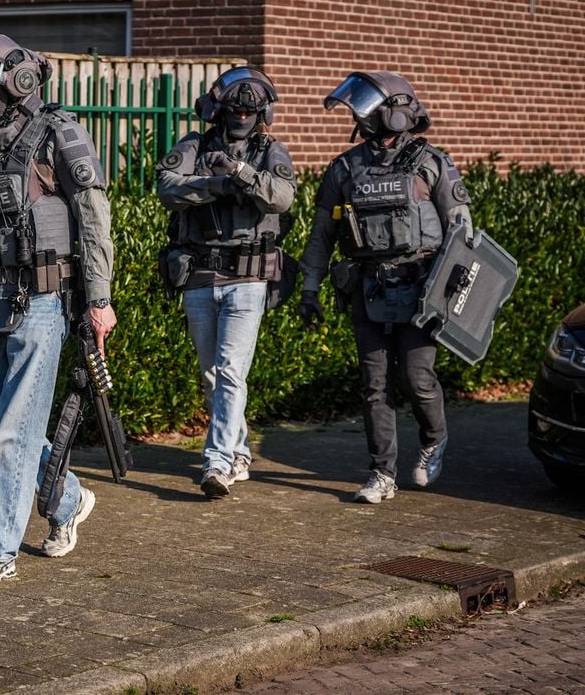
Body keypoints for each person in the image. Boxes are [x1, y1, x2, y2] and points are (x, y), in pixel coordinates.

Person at [0, 34, 117, 585]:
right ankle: (69, 499)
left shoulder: (59, 132)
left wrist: (99, 300)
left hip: (41, 300)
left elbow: (94, 220)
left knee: (13, 431)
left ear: (17, 79)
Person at [298, 71, 472, 504]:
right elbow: (322, 233)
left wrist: (458, 293)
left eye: (370, 107)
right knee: (375, 385)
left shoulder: (432, 162)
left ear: (396, 114)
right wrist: (310, 288)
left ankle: (434, 437)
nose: (362, 115)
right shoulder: (345, 167)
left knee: (417, 379)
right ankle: (382, 474)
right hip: (369, 288)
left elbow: (462, 230)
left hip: (421, 290)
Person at [157, 67, 297, 499]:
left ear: (262, 112)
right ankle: (237, 452)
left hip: (249, 277)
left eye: (249, 110)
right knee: (212, 374)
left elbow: (283, 196)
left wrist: (241, 173)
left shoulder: (271, 150)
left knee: (232, 371)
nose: (241, 115)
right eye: (234, 108)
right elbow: (166, 186)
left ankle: (215, 462)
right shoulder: (194, 145)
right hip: (200, 274)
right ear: (219, 108)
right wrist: (216, 184)